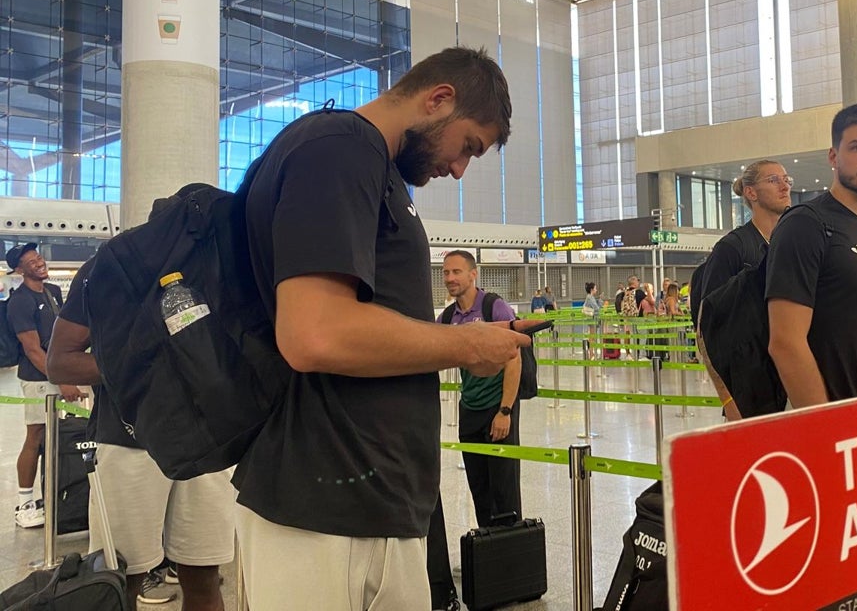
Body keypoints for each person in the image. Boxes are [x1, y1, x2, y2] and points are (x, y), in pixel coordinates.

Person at [232, 46, 531, 611]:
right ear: (438, 99)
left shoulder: (374, 167)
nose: (460, 168)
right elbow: (314, 333)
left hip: (369, 501)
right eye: (466, 145)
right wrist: (468, 343)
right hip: (327, 506)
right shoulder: (339, 148)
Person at [47, 255, 232, 609]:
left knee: (205, 575)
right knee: (119, 579)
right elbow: (60, 362)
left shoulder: (222, 265)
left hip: (209, 443)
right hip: (129, 441)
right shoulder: (108, 268)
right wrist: (148, 364)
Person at [765, 104, 857, 409]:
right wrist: (826, 428)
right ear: (834, 157)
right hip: (837, 417)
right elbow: (785, 343)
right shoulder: (806, 224)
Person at [695, 160, 791, 418]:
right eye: (773, 180)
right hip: (751, 392)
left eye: (786, 179)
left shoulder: (791, 244)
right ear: (751, 192)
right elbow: (705, 329)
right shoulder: (732, 249)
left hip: (792, 382)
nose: (784, 186)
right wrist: (728, 400)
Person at [441, 250, 522, 527]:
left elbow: (514, 361)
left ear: (473, 274)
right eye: (446, 272)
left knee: (504, 490)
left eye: (456, 272)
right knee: (480, 489)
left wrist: (505, 410)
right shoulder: (448, 316)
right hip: (470, 408)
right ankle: (487, 554)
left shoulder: (493, 307)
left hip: (497, 408)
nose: (450, 278)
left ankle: (510, 555)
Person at [5, 242, 80, 529]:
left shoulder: (53, 292)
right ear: (20, 270)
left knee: (55, 437)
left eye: (38, 257)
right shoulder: (20, 302)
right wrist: (62, 380)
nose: (39, 262)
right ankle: (24, 502)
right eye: (31, 261)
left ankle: (53, 494)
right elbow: (33, 350)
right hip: (38, 380)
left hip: (58, 374)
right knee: (35, 436)